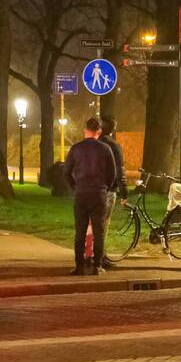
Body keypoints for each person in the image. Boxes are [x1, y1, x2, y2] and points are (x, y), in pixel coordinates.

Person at [64, 117, 117, 276]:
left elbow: (66, 172)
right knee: (99, 231)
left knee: (80, 231)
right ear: (99, 132)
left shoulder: (76, 149)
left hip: (81, 193)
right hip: (99, 193)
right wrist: (105, 187)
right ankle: (97, 266)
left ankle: (79, 266)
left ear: (85, 130)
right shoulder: (105, 149)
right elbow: (112, 173)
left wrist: (75, 186)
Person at [99, 115, 128, 270]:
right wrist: (124, 191)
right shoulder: (113, 146)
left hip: (91, 190)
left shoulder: (93, 144)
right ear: (113, 129)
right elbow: (119, 170)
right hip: (108, 190)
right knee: (103, 224)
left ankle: (90, 254)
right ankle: (100, 256)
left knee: (92, 223)